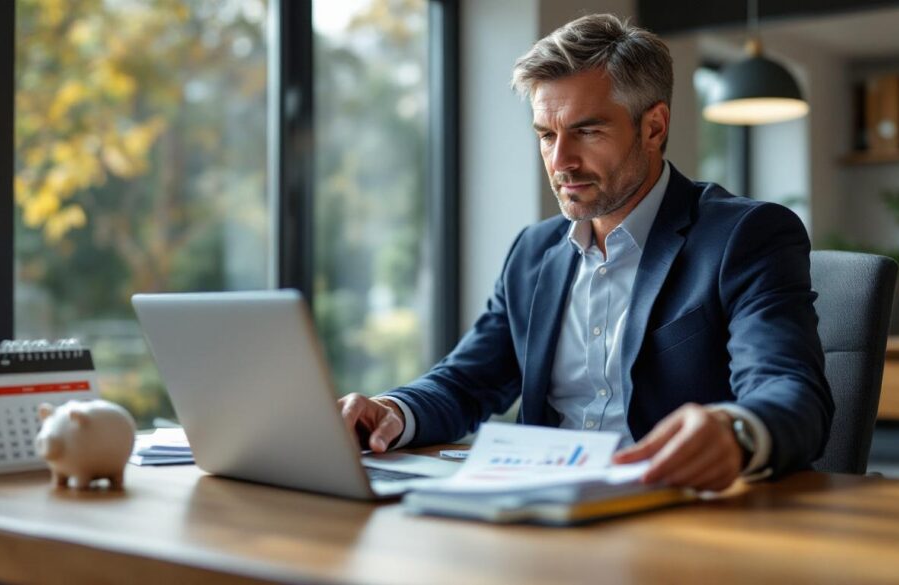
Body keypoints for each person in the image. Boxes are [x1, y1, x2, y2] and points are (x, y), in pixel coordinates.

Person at [338, 13, 833, 491]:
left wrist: (736, 431)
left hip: (679, 514)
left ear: (654, 127)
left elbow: (791, 392)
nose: (560, 162)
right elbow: (467, 382)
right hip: (542, 512)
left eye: (587, 131)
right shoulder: (533, 253)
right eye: (547, 136)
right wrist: (391, 413)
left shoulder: (746, 235)